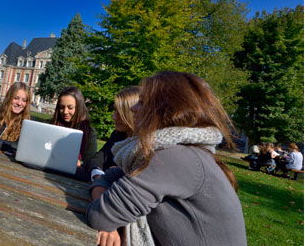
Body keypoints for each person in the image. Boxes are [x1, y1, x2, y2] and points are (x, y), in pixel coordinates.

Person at [86, 71, 246, 246]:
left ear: (168, 110)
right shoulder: (176, 152)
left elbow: (100, 216)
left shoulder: (177, 157)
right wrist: (104, 196)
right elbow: (109, 178)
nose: (133, 109)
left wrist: (106, 207)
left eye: (142, 102)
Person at [86, 86, 140, 182]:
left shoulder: (142, 147)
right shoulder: (118, 135)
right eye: (115, 110)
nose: (113, 117)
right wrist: (97, 174)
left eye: (119, 113)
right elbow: (97, 159)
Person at [51, 86, 97, 181]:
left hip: (73, 177)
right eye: (61, 107)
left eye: (70, 107)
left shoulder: (89, 133)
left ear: (79, 107)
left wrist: (80, 163)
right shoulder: (49, 126)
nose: (65, 112)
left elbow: (89, 161)